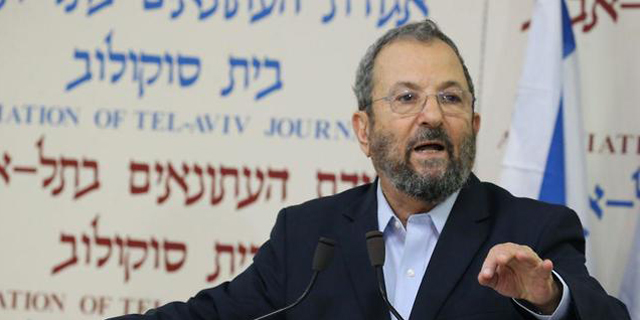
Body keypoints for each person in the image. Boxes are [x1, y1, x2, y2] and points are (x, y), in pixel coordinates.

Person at [109, 19, 630, 320]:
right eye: (407, 97)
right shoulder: (309, 236)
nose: (431, 114)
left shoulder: (531, 231)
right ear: (364, 129)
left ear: (472, 124)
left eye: (449, 98)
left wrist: (549, 299)